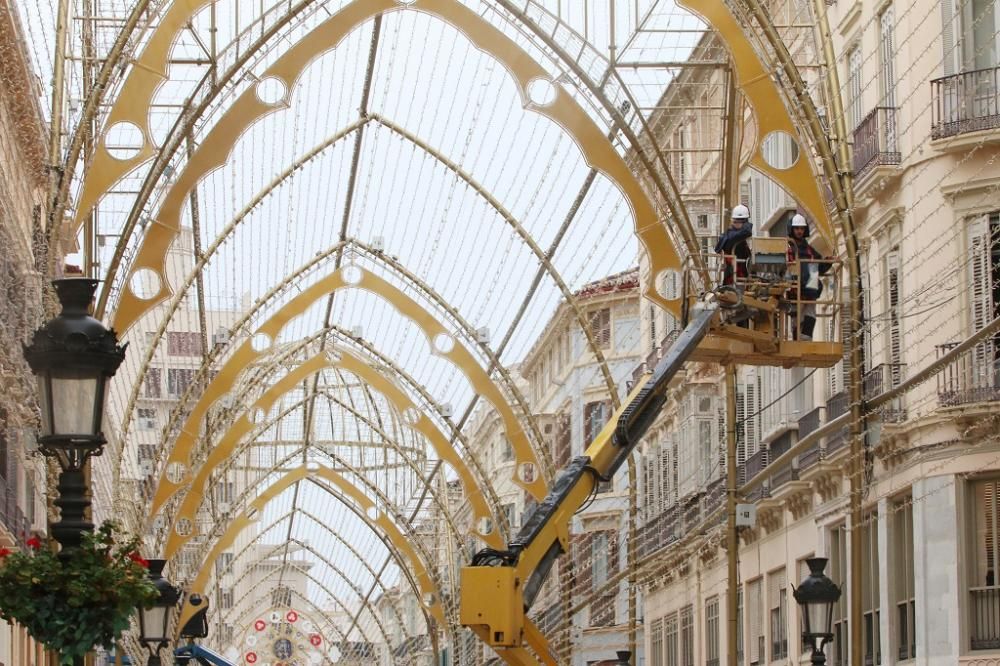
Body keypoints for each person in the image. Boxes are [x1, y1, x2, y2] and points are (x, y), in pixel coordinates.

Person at [786, 213, 832, 340]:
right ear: (792, 230)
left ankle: (806, 337)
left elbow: (820, 267)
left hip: (810, 288)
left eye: (801, 228)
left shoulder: (810, 250)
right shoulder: (787, 249)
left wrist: (829, 261)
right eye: (797, 229)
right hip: (795, 289)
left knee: (810, 313)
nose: (799, 231)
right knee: (796, 316)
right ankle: (797, 339)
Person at [715, 204, 753, 286]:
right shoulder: (732, 235)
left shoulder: (730, 235)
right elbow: (748, 231)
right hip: (735, 275)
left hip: (736, 273)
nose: (737, 224)